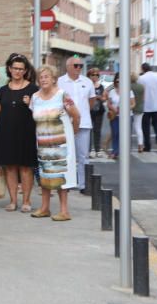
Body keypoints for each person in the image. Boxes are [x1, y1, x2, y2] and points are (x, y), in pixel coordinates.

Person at [30, 65, 80, 222]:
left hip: (61, 144)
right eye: (41, 77)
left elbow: (76, 115)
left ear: (53, 79)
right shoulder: (35, 97)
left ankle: (64, 211)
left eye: (46, 76)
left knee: (61, 175)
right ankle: (44, 208)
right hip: (43, 143)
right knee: (45, 174)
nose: (43, 79)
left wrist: (73, 132)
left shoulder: (62, 95)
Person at [0, 53, 39, 213]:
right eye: (14, 68)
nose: (17, 71)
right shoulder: (3, 90)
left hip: (26, 134)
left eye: (21, 69)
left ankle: (26, 200)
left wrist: (31, 103)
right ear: (9, 69)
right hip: (5, 133)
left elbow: (41, 111)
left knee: (26, 168)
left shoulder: (33, 89)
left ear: (25, 71)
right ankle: (13, 201)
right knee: (10, 168)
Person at [57, 56, 96, 193]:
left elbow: (92, 101)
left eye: (80, 65)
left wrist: (82, 114)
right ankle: (66, 183)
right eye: (76, 65)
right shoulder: (60, 81)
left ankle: (83, 185)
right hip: (65, 123)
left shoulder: (87, 82)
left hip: (84, 123)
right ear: (68, 67)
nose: (78, 68)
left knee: (83, 155)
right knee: (66, 154)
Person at [138, 63, 157, 151]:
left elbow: (140, 91)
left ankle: (147, 146)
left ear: (143, 69)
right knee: (156, 123)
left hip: (146, 107)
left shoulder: (141, 78)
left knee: (145, 126)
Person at [107, 74, 136, 159]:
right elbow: (109, 103)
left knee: (126, 134)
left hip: (127, 116)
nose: (119, 83)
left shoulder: (129, 91)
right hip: (115, 116)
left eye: (121, 81)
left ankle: (123, 152)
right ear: (115, 82)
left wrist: (125, 108)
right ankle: (115, 151)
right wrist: (112, 108)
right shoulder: (112, 92)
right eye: (117, 81)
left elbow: (133, 104)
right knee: (115, 133)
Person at [88, 67, 106, 158]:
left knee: (97, 130)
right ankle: (90, 149)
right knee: (89, 130)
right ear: (89, 76)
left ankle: (98, 149)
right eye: (93, 75)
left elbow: (104, 98)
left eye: (97, 75)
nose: (95, 76)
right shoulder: (87, 85)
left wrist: (99, 97)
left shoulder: (101, 86)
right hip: (89, 111)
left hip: (99, 111)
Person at [130, 72, 145, 153]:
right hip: (139, 108)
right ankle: (140, 145)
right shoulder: (141, 86)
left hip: (130, 108)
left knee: (128, 128)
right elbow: (143, 98)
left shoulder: (128, 86)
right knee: (138, 127)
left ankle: (127, 145)